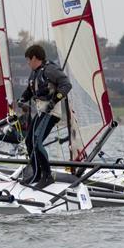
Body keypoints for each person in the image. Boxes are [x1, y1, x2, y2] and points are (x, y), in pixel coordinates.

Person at [19, 44, 72, 188]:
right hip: (41, 112)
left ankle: (47, 176)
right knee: (29, 141)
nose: (28, 63)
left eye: (28, 60)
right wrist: (23, 98)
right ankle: (36, 174)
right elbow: (30, 90)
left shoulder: (51, 70)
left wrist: (54, 100)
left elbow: (66, 85)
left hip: (51, 112)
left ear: (35, 58)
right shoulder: (34, 72)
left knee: (36, 141)